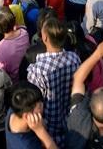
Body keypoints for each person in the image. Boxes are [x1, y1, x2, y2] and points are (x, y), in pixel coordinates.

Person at [26, 17, 80, 147]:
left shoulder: (37, 70)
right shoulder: (75, 59)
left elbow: (34, 105)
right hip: (71, 123)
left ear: (45, 38)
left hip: (48, 129)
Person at [5, 82, 58, 149]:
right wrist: (41, 131)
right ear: (27, 116)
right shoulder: (27, 145)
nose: (43, 106)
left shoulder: (13, 111)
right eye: (39, 106)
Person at [0, 7, 30, 82]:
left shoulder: (0, 48)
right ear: (13, 19)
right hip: (27, 73)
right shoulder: (24, 32)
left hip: (14, 81)